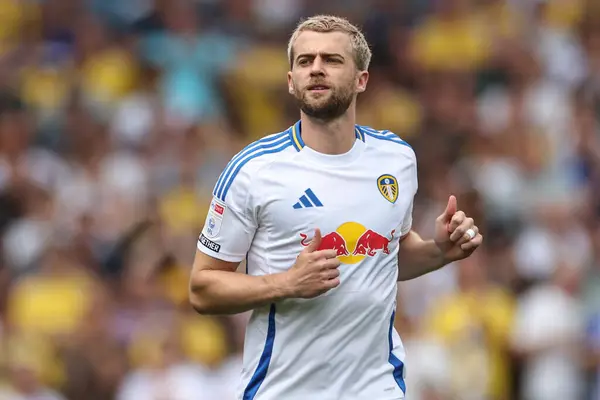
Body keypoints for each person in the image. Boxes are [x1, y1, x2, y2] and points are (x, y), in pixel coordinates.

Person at [189, 15, 483, 400]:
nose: (316, 69)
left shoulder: (396, 159)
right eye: (305, 61)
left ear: (362, 79)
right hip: (284, 390)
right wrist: (286, 283)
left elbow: (384, 254)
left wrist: (439, 251)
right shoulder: (253, 170)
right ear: (291, 80)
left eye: (331, 60)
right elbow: (202, 289)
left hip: (377, 388)